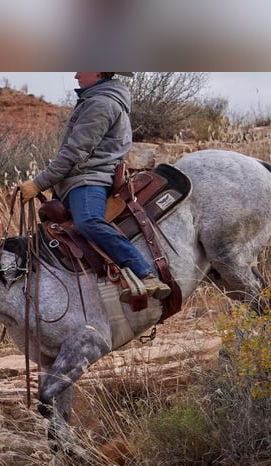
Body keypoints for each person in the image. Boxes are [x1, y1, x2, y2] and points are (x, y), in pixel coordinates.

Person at [18, 72, 170, 303]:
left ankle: (142, 272)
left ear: (98, 71)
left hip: (89, 179)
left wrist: (39, 183)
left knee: (88, 220)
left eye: (82, 68)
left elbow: (74, 152)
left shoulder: (100, 104)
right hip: (80, 179)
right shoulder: (96, 100)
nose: (76, 74)